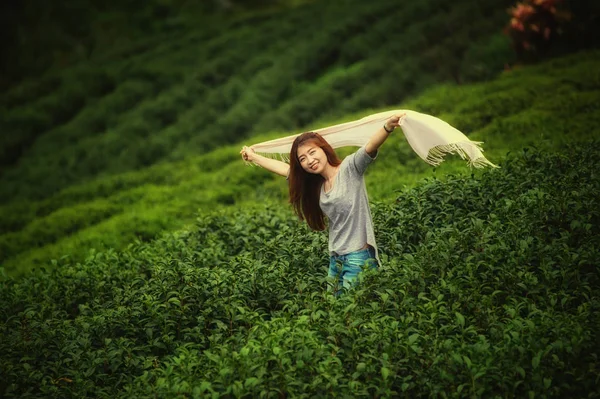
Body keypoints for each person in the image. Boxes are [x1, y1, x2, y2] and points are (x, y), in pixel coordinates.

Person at [241, 114, 405, 295]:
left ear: (324, 149)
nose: (309, 161)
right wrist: (253, 157)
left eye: (312, 153)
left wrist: (388, 127)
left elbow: (369, 147)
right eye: (302, 159)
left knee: (352, 313)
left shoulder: (350, 168)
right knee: (335, 314)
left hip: (358, 257)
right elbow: (286, 170)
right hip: (335, 259)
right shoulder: (316, 184)